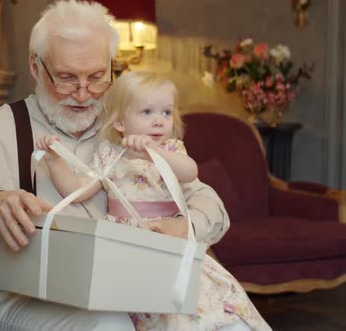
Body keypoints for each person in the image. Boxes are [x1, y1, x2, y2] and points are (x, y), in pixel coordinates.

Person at [0, 0, 238, 330]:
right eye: (65, 78)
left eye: (97, 77)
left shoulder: (128, 125)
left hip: (133, 287)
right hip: (28, 300)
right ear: (36, 67)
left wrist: (185, 226)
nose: (83, 94)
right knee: (109, 325)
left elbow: (212, 207)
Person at [36, 71, 271, 331]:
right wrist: (55, 162)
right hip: (124, 245)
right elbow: (78, 189)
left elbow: (189, 171)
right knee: (141, 306)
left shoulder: (170, 150)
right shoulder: (110, 155)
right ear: (120, 123)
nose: (159, 121)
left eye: (166, 113)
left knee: (196, 302)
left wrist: (153, 152)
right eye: (146, 112)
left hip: (166, 242)